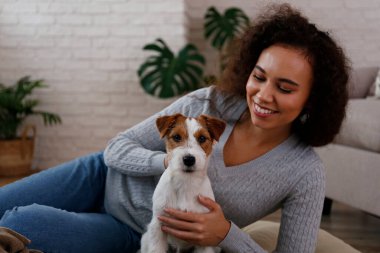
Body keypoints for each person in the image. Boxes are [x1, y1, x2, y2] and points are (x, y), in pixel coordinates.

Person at [0, 3, 349, 253]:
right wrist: (163, 162)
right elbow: (116, 148)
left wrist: (225, 233)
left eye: (285, 88)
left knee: (25, 223)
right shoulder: (210, 104)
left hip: (136, 230)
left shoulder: (304, 172)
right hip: (99, 176)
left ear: (313, 98)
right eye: (258, 77)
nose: (264, 95)